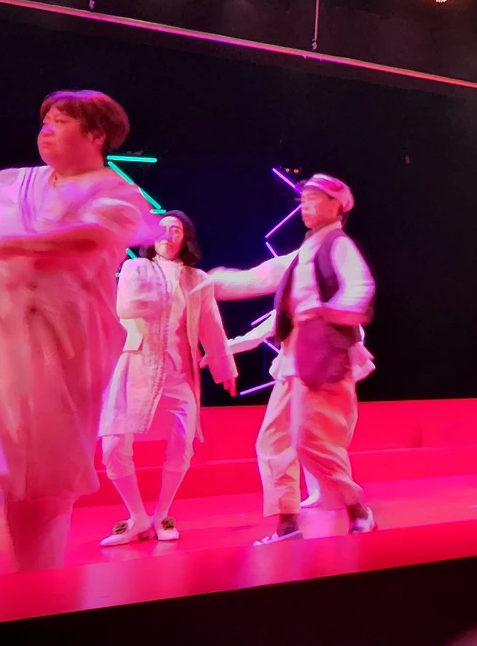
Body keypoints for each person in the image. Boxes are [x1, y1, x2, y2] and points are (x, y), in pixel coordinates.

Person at [0, 90, 157, 576]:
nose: (46, 129)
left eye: (61, 121)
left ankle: (35, 599)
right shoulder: (18, 182)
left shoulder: (116, 192)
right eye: (45, 120)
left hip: (53, 354)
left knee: (38, 490)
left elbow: (91, 237)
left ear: (96, 136)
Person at [206, 174, 376, 544]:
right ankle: (287, 523)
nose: (306, 205)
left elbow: (360, 289)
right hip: (294, 358)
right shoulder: (302, 254)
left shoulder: (339, 245)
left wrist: (325, 317)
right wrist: (211, 282)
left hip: (322, 356)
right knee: (274, 440)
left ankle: (357, 509)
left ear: (336, 205)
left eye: (314, 198)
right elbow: (260, 278)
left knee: (311, 438)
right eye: (304, 199)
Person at [97, 211, 239, 546]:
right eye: (161, 229)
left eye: (175, 229)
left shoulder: (196, 278)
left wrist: (224, 368)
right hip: (136, 365)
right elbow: (127, 307)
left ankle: (162, 514)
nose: (167, 234)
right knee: (113, 445)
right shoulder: (135, 268)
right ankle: (136, 517)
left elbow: (210, 324)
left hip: (178, 371)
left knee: (182, 442)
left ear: (184, 237)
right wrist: (162, 292)